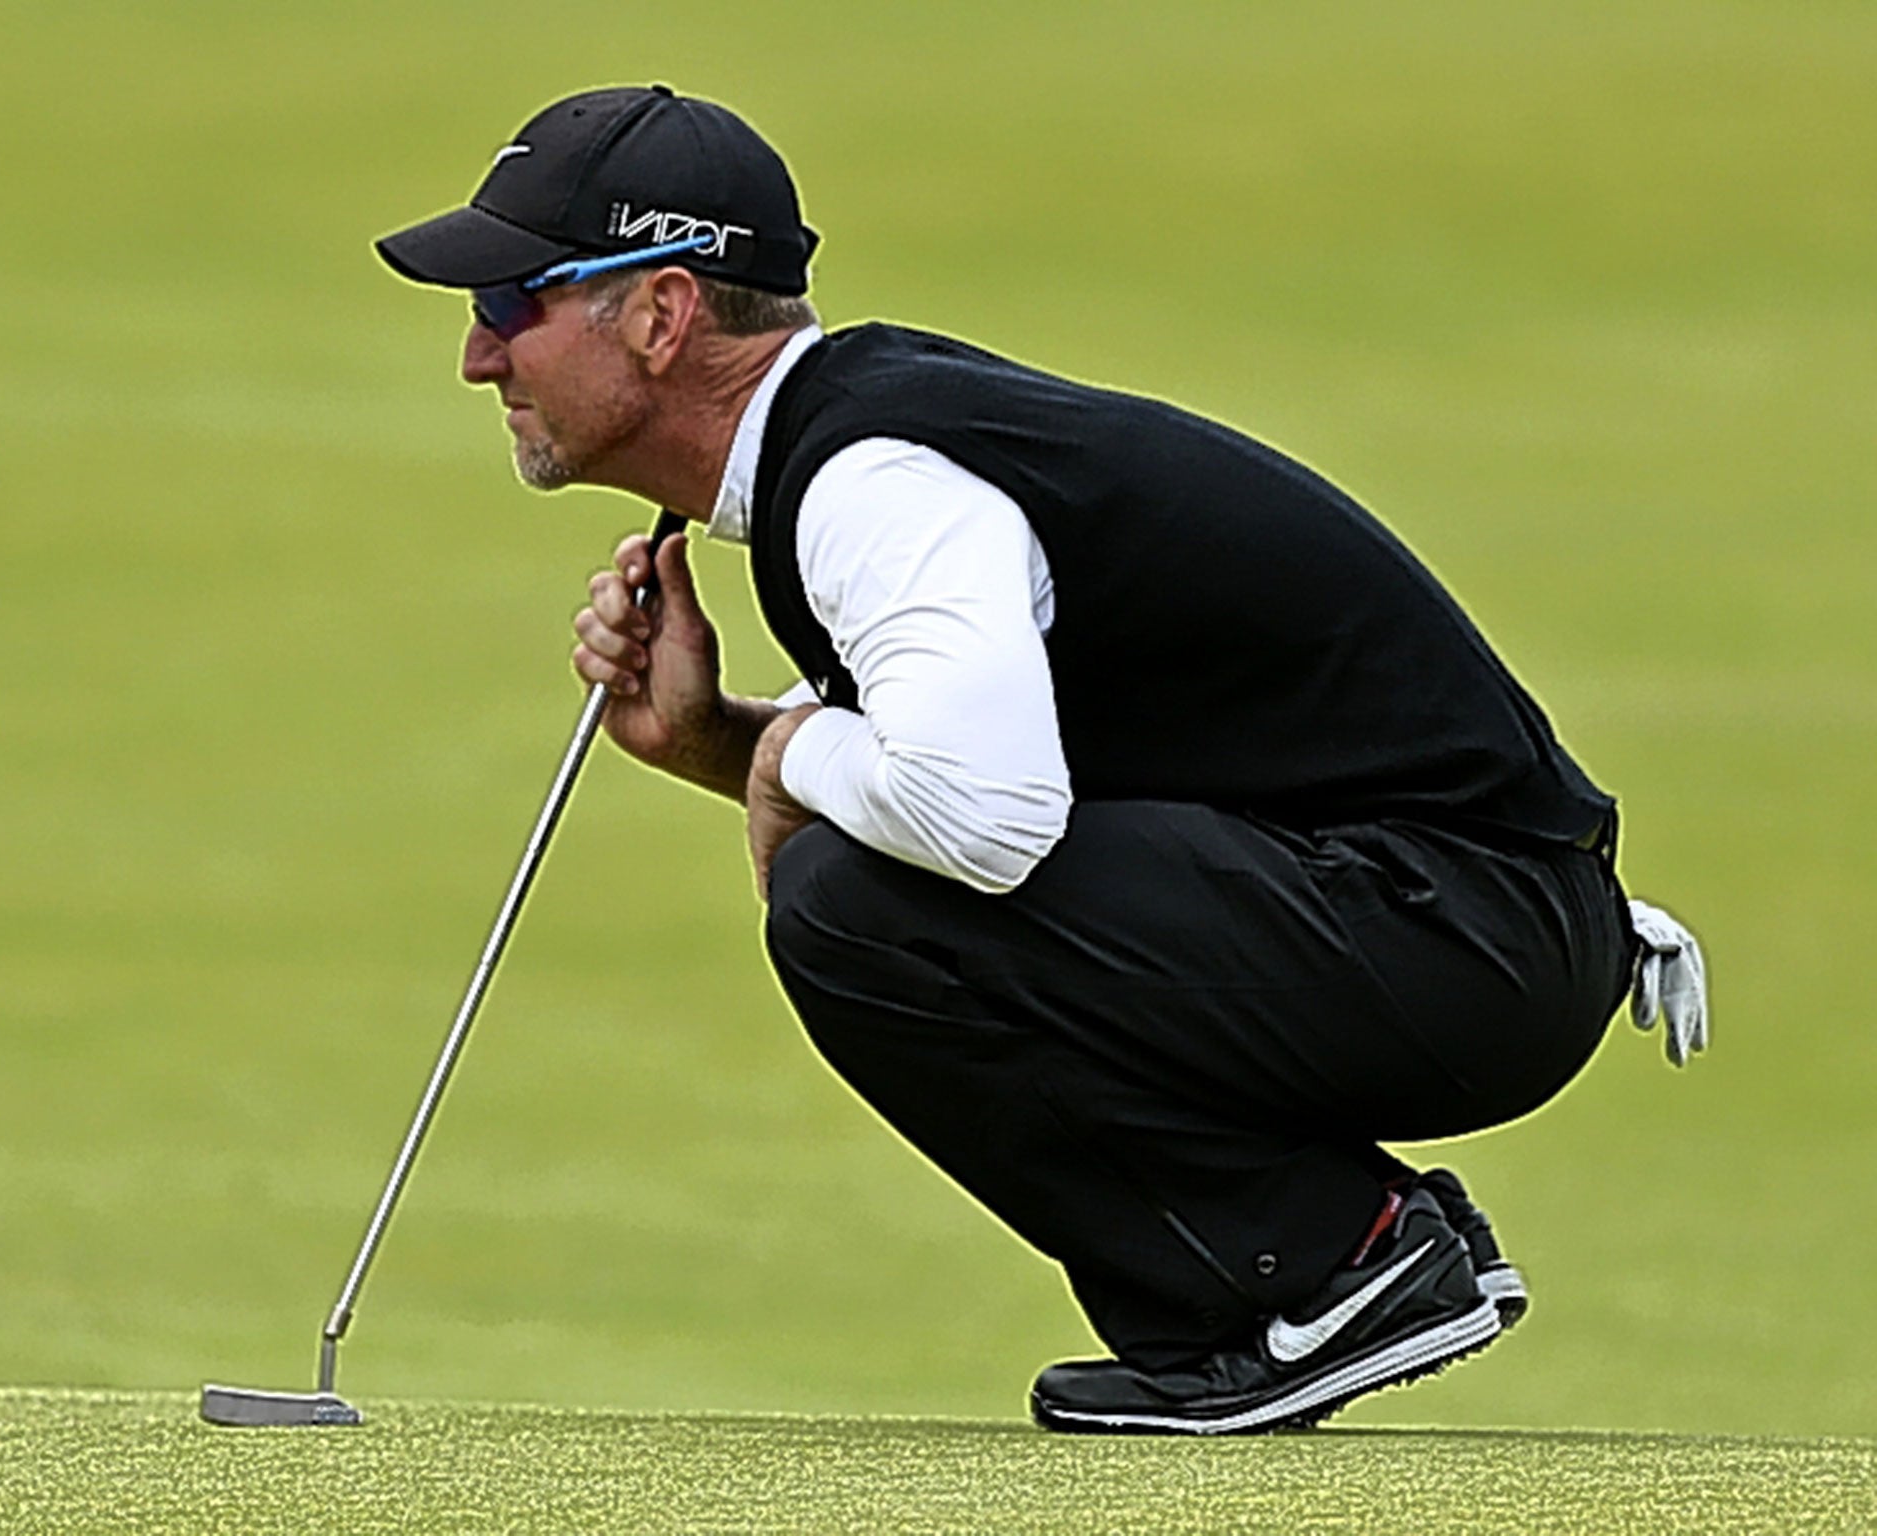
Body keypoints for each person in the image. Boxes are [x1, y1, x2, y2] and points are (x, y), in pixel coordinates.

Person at [374, 84, 1709, 1434]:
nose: (481, 359)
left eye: (508, 308)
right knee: (859, 871)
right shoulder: (859, 445)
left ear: (661, 316)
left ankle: (1336, 1269)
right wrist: (724, 743)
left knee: (853, 908)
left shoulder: (869, 482)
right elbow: (993, 785)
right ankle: (1305, 1282)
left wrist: (782, 747)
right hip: (1444, 917)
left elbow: (986, 820)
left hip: (1462, 932)